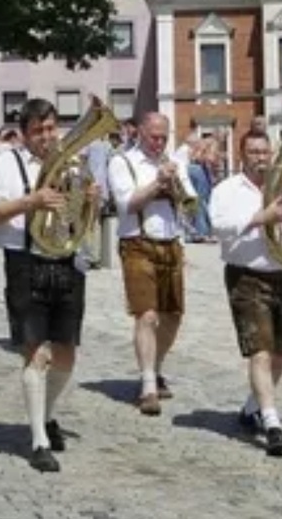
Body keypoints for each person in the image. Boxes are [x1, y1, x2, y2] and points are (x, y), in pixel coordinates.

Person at [0, 98, 96, 473]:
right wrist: (32, 200)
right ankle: (38, 441)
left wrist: (91, 202)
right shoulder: (7, 163)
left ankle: (45, 414)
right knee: (36, 353)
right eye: (39, 131)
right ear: (25, 133)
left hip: (66, 261)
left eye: (51, 128)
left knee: (66, 354)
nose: (47, 136)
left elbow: (84, 219)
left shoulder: (74, 163)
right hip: (26, 263)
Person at [209, 130, 282, 457]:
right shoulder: (227, 189)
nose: (261, 158)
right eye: (254, 152)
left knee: (281, 353)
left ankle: (252, 408)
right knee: (260, 351)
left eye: (265, 152)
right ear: (243, 155)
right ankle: (272, 423)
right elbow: (217, 225)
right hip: (246, 276)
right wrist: (260, 218)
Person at [107, 112, 196, 415]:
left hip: (171, 242)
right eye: (153, 137)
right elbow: (127, 204)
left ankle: (155, 368)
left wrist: (177, 187)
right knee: (146, 315)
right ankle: (147, 385)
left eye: (163, 137)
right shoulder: (123, 162)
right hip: (137, 242)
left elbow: (190, 203)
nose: (159, 143)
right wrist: (158, 183)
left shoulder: (173, 162)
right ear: (140, 133)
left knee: (173, 315)